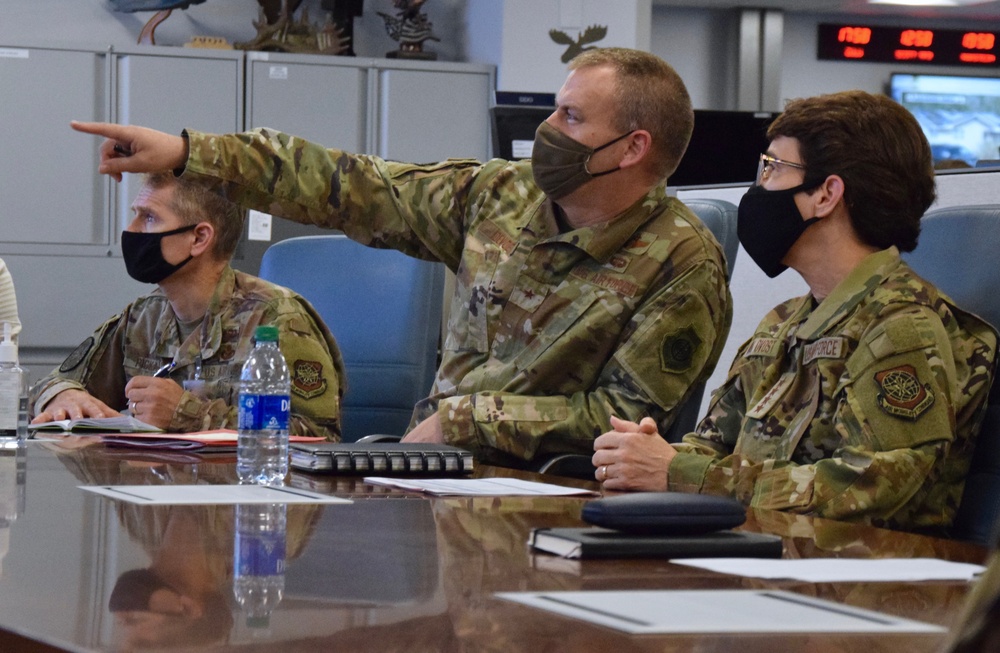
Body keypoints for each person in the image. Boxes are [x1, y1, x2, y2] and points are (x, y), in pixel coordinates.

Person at [70, 47, 732, 467]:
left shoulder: (682, 265)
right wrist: (193, 154)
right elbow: (350, 183)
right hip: (430, 475)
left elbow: (624, 424)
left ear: (632, 146)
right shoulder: (502, 195)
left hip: (550, 498)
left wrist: (468, 416)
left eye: (571, 118)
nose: (547, 132)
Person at [593, 90, 997, 534]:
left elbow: (871, 487)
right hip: (758, 551)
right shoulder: (784, 322)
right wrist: (646, 456)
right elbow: (713, 445)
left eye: (773, 169)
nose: (759, 186)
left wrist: (685, 475)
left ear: (826, 194)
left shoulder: (902, 326)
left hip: (854, 578)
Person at [30, 172, 345, 438]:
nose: (132, 230)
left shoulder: (276, 319)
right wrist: (62, 395)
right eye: (135, 214)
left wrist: (187, 414)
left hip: (245, 504)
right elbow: (61, 379)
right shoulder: (144, 316)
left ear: (199, 238)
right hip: (155, 496)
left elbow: (318, 436)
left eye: (149, 218)